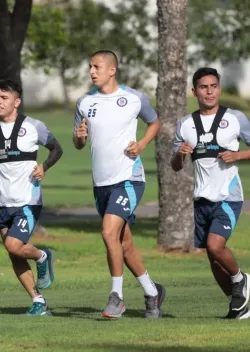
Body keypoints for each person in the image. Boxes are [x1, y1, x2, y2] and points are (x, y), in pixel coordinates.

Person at [73, 50, 165, 319]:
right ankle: (151, 292)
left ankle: (117, 297)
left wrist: (142, 144)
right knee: (123, 243)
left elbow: (155, 122)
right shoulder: (84, 103)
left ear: (112, 70)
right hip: (100, 183)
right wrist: (79, 137)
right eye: (90, 66)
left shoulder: (134, 98)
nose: (91, 71)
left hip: (128, 179)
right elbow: (78, 144)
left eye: (97, 66)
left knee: (108, 233)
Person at [0, 79, 63, 316]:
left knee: (14, 245)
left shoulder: (34, 126)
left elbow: (56, 149)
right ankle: (38, 301)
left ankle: (43, 256)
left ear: (17, 102)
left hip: (28, 200)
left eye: (4, 98)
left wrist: (44, 166)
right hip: (2, 202)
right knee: (14, 253)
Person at [171, 67, 250, 319]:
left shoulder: (235, 118)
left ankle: (241, 279)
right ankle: (239, 306)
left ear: (219, 88)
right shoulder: (185, 124)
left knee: (216, 247)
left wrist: (237, 155)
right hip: (201, 198)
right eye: (203, 87)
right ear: (194, 91)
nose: (209, 91)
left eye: (213, 86)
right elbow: (175, 166)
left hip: (228, 195)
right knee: (213, 261)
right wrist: (179, 154)